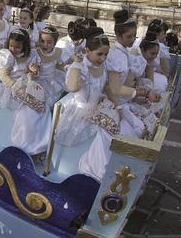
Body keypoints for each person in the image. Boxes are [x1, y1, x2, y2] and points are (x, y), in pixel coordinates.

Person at [56, 27, 118, 181]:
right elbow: (72, 88)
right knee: (103, 134)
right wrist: (76, 64)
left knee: (115, 128)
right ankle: (94, 172)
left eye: (106, 54)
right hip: (80, 112)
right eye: (99, 54)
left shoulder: (103, 66)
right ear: (87, 51)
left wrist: (116, 104)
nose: (103, 58)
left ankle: (106, 168)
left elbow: (105, 87)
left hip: (97, 107)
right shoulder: (79, 68)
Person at [0, 30, 50, 156]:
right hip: (10, 88)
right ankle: (22, 146)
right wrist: (17, 87)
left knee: (44, 108)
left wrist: (34, 71)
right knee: (27, 113)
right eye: (11, 46)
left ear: (24, 46)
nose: (13, 49)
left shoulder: (31, 56)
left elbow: (35, 74)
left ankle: (38, 145)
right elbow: (4, 76)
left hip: (27, 86)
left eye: (17, 47)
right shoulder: (6, 55)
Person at [105, 10, 159, 139]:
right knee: (138, 131)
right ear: (118, 35)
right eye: (129, 36)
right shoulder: (116, 56)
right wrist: (144, 93)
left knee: (145, 125)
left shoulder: (124, 53)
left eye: (134, 36)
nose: (133, 39)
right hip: (113, 100)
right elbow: (114, 88)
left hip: (122, 100)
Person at [35, 26, 66, 108]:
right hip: (38, 80)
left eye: (49, 42)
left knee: (51, 100)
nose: (45, 44)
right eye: (42, 41)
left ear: (54, 43)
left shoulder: (58, 52)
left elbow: (61, 66)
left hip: (52, 80)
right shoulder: (35, 53)